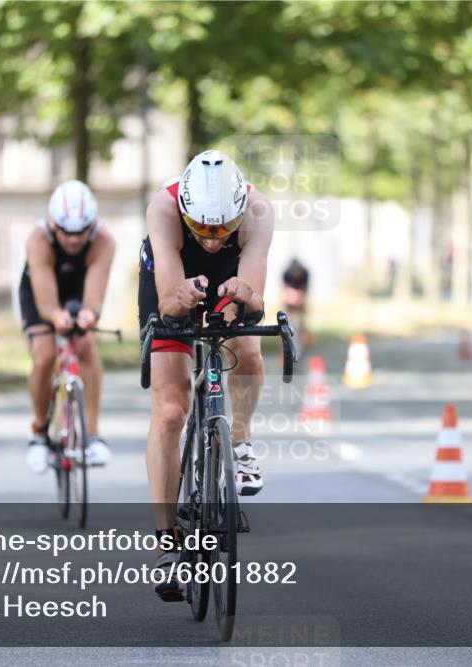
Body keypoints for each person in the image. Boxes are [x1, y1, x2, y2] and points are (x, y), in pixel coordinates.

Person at [138, 149, 274, 600]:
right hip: (173, 278)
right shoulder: (163, 208)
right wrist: (182, 299)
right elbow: (168, 305)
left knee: (247, 346)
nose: (213, 240)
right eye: (202, 229)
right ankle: (166, 542)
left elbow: (253, 299)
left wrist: (236, 304)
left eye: (223, 229)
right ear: (184, 210)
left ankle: (241, 442)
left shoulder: (258, 211)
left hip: (232, 279)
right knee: (171, 409)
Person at [20, 180, 116, 473]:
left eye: (81, 232)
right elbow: (47, 303)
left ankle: (93, 436)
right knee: (44, 355)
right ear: (53, 224)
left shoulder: (104, 241)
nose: (74, 240)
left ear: (92, 225)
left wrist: (89, 314)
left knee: (86, 344)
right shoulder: (38, 240)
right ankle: (39, 433)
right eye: (66, 232)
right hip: (41, 292)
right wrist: (55, 316)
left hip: (79, 290)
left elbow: (95, 293)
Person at [281, 257, 311, 350]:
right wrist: (291, 297)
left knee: (302, 319)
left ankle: (303, 339)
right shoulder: (286, 274)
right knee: (289, 318)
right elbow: (285, 289)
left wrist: (300, 297)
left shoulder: (305, 273)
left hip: (300, 294)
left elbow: (306, 289)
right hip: (290, 295)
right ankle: (289, 336)